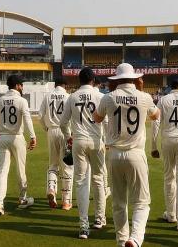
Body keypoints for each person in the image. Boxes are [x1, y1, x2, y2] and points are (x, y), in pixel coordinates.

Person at [94, 63, 159, 247]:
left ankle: (122, 241)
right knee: (141, 202)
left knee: (118, 203)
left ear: (116, 80)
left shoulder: (108, 98)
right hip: (135, 154)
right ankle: (135, 239)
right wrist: (141, 90)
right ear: (134, 79)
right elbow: (156, 115)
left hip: (114, 155)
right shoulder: (144, 97)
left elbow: (96, 118)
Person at [60, 67, 106, 239]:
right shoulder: (100, 96)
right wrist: (106, 141)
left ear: (79, 80)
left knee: (80, 182)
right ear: (93, 80)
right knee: (98, 179)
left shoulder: (72, 97)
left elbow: (63, 123)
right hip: (96, 141)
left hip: (78, 141)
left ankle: (83, 226)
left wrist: (68, 137)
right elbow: (107, 122)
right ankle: (100, 219)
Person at [151, 79, 178, 231]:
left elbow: (155, 122)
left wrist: (153, 145)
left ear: (171, 87)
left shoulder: (163, 100)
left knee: (169, 177)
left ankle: (171, 214)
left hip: (168, 140)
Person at [0, 74, 37, 216]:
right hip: (17, 137)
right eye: (21, 84)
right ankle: (23, 199)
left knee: (2, 172)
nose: (22, 87)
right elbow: (28, 120)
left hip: (3, 137)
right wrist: (33, 136)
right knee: (20, 170)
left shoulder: (0, 101)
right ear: (17, 86)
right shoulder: (22, 101)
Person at [39, 77, 72, 210]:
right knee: (67, 167)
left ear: (55, 85)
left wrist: (46, 128)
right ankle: (66, 201)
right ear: (65, 85)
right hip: (65, 132)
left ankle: (51, 189)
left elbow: (41, 115)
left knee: (53, 164)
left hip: (51, 131)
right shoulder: (68, 96)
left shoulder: (48, 96)